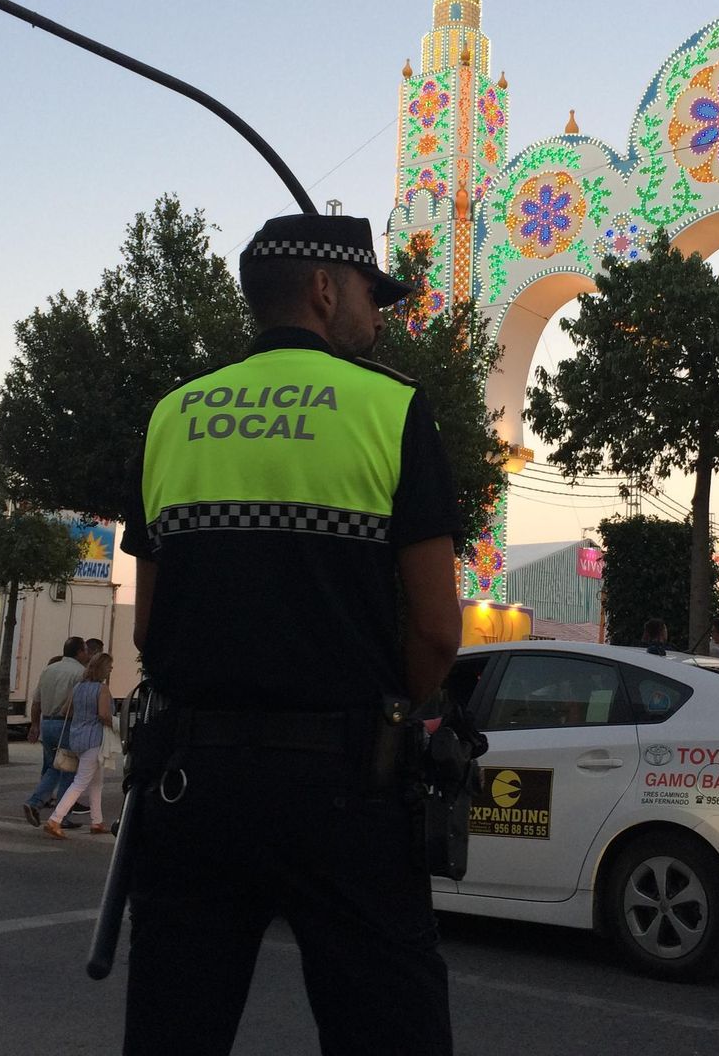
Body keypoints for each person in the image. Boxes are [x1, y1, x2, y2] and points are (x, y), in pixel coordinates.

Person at [119, 211, 462, 1055]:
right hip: (346, 784)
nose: (377, 317)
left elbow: (150, 628)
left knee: (174, 1028)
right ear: (322, 289)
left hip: (192, 784)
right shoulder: (391, 408)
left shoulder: (173, 415)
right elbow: (437, 629)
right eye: (371, 297)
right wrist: (390, 711)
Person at [43, 651, 115, 839]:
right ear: (102, 669)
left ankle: (97, 821)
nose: (111, 670)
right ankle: (55, 819)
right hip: (94, 738)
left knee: (96, 781)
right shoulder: (102, 689)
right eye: (109, 666)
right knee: (81, 782)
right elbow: (103, 715)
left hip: (77, 737)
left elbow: (67, 709)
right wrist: (117, 724)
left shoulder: (78, 687)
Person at [23, 637, 90, 827]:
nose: (87, 654)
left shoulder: (49, 670)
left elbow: (36, 701)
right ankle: (61, 816)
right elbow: (80, 702)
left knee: (53, 767)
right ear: (79, 652)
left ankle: (35, 802)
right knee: (68, 770)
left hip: (48, 723)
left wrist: (35, 725)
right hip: (67, 724)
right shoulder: (80, 673)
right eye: (85, 650)